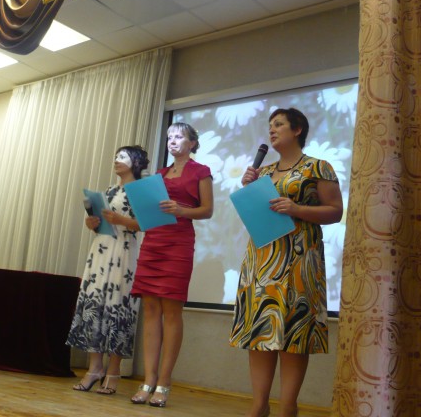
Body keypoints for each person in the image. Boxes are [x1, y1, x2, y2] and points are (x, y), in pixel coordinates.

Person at [229, 108, 343, 417]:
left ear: (297, 129)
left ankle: (288, 407)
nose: (272, 130)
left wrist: (296, 209)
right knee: (260, 331)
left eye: (279, 124)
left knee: (294, 332)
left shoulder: (318, 167)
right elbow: (256, 212)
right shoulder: (263, 172)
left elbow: (335, 211)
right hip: (262, 259)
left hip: (299, 259)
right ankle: (259, 405)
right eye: (270, 125)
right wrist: (248, 189)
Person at [129, 122, 214, 408]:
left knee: (172, 312)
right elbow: (148, 210)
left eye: (179, 136)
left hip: (178, 243)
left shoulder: (201, 171)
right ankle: (147, 381)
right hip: (154, 241)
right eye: (169, 137)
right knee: (151, 311)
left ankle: (164, 382)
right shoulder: (159, 174)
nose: (173, 141)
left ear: (192, 143)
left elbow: (207, 210)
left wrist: (181, 210)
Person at [66, 145, 150, 395]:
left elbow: (146, 224)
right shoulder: (110, 190)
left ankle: (113, 372)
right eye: (115, 156)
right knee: (95, 304)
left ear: (136, 162)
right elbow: (101, 223)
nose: (116, 160)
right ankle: (94, 368)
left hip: (123, 252)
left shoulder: (141, 190)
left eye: (122, 157)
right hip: (101, 251)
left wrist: (121, 220)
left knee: (118, 306)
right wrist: (92, 223)